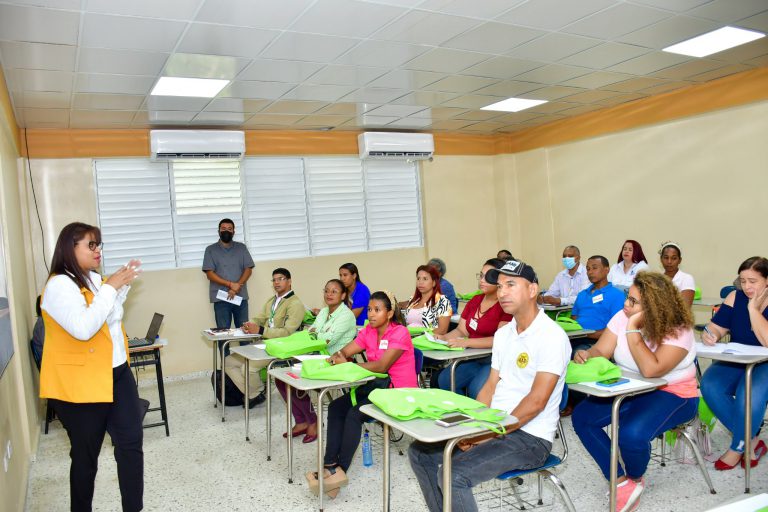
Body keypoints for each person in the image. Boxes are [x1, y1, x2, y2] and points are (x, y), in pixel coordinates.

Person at [409, 260, 570, 512]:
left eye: (511, 285)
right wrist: (473, 427)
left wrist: (486, 434)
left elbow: (536, 402)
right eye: (500, 286)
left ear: (532, 290)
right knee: (420, 453)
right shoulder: (505, 335)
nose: (503, 292)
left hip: (529, 437)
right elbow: (490, 386)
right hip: (495, 425)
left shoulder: (552, 336)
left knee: (453, 475)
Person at [572, 272, 698, 512]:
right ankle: (621, 483)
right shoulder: (622, 316)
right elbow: (601, 350)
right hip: (630, 389)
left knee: (630, 434)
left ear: (655, 306)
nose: (625, 305)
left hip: (674, 393)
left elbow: (651, 370)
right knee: (582, 417)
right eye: (627, 297)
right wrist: (587, 354)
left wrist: (632, 329)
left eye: (633, 301)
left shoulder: (678, 328)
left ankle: (635, 477)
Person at [39, 222, 143, 512]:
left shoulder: (94, 279)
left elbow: (110, 318)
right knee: (86, 458)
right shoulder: (59, 285)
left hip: (118, 374)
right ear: (69, 248)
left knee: (131, 445)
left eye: (99, 244)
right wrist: (110, 288)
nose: (98, 251)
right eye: (91, 245)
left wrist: (119, 288)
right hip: (82, 384)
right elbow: (84, 328)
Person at [306, 291, 416, 497]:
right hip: (376, 387)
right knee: (336, 407)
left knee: (354, 415)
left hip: (397, 391)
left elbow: (382, 366)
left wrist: (347, 364)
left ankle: (339, 472)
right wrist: (336, 357)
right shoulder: (368, 331)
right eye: (369, 309)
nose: (371, 314)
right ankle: (330, 465)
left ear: (389, 313)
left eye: (377, 310)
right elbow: (344, 352)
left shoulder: (400, 332)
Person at [700, 256, 768, 470]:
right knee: (710, 385)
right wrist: (711, 334)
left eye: (753, 281)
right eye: (743, 281)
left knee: (748, 392)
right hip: (738, 358)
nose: (747, 286)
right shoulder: (734, 296)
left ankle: (738, 447)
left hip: (765, 363)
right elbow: (717, 326)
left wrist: (753, 309)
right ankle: (751, 440)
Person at [275, 279, 357, 443]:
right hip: (316, 356)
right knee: (281, 379)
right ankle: (302, 421)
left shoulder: (346, 315)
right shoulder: (324, 311)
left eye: (334, 291)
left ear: (343, 295)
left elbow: (329, 340)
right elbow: (311, 332)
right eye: (326, 291)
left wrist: (316, 334)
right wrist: (317, 334)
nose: (329, 294)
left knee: (295, 380)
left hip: (337, 361)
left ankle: (313, 421)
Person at [226, 268, 304, 407]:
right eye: (274, 280)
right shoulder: (272, 300)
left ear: (289, 281)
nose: (276, 282)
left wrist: (261, 330)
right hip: (264, 343)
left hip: (280, 346)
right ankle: (255, 394)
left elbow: (287, 332)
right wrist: (249, 324)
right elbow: (259, 318)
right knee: (229, 362)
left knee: (247, 369)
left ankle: (256, 392)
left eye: (280, 279)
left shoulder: (295, 304)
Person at [434, 258, 511, 398]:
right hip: (472, 358)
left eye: (487, 276)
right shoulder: (475, 301)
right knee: (445, 381)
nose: (482, 280)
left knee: (477, 390)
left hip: (493, 360)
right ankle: (461, 409)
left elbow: (499, 339)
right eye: (481, 275)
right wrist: (443, 338)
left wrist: (466, 342)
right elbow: (461, 330)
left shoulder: (505, 305)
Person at [202, 218, 255, 354]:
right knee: (223, 335)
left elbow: (248, 269)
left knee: (245, 332)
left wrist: (238, 286)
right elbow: (210, 274)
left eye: (229, 229)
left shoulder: (241, 248)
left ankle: (246, 363)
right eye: (223, 228)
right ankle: (226, 365)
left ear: (234, 232)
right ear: (219, 231)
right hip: (220, 299)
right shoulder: (210, 250)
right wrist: (231, 285)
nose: (226, 231)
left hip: (240, 298)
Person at [571, 256, 626, 341]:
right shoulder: (582, 294)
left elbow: (617, 328)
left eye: (594, 268)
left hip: (599, 341)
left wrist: (586, 334)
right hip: (575, 338)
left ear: (607, 270)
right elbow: (574, 318)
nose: (590, 272)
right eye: (588, 269)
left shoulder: (617, 295)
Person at [404, 265, 453, 335]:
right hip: (408, 339)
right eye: (418, 278)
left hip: (428, 340)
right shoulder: (413, 300)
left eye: (425, 279)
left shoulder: (443, 301)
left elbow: (442, 330)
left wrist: (421, 338)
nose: (420, 282)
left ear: (434, 283)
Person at [659, 241, 696, 308]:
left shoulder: (686, 278)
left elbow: (685, 308)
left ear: (680, 260)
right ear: (661, 259)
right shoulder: (656, 279)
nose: (669, 261)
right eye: (666, 258)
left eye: (674, 258)